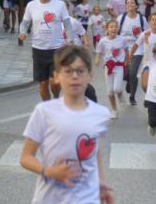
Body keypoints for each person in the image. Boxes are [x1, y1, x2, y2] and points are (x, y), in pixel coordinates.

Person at [19, 45, 113, 204]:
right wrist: (49, 171)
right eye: (68, 71)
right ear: (56, 76)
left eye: (80, 71)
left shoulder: (101, 113)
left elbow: (93, 148)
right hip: (50, 198)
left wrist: (100, 181)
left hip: (87, 198)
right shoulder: (44, 112)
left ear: (90, 75)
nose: (74, 76)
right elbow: (25, 157)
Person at [19, 0, 73, 101]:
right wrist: (22, 32)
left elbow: (67, 24)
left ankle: (55, 97)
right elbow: (24, 23)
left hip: (56, 49)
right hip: (38, 50)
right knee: (43, 85)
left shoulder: (59, 5)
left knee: (54, 82)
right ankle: (48, 107)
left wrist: (70, 41)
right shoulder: (31, 5)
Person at [117, 0, 149, 105]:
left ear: (136, 6)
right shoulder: (121, 18)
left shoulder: (141, 19)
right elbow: (114, 33)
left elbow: (146, 34)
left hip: (137, 49)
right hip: (123, 49)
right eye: (128, 3)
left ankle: (132, 96)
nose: (130, 5)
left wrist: (148, 48)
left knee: (133, 72)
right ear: (125, 6)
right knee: (125, 73)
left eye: (132, 3)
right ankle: (129, 81)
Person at [95, 20, 129, 118]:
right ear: (107, 29)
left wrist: (127, 60)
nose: (114, 28)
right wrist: (97, 59)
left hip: (119, 66)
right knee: (110, 91)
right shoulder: (103, 41)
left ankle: (120, 95)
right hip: (108, 67)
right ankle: (114, 110)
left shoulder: (122, 39)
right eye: (111, 27)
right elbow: (99, 51)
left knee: (117, 88)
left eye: (115, 27)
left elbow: (126, 49)